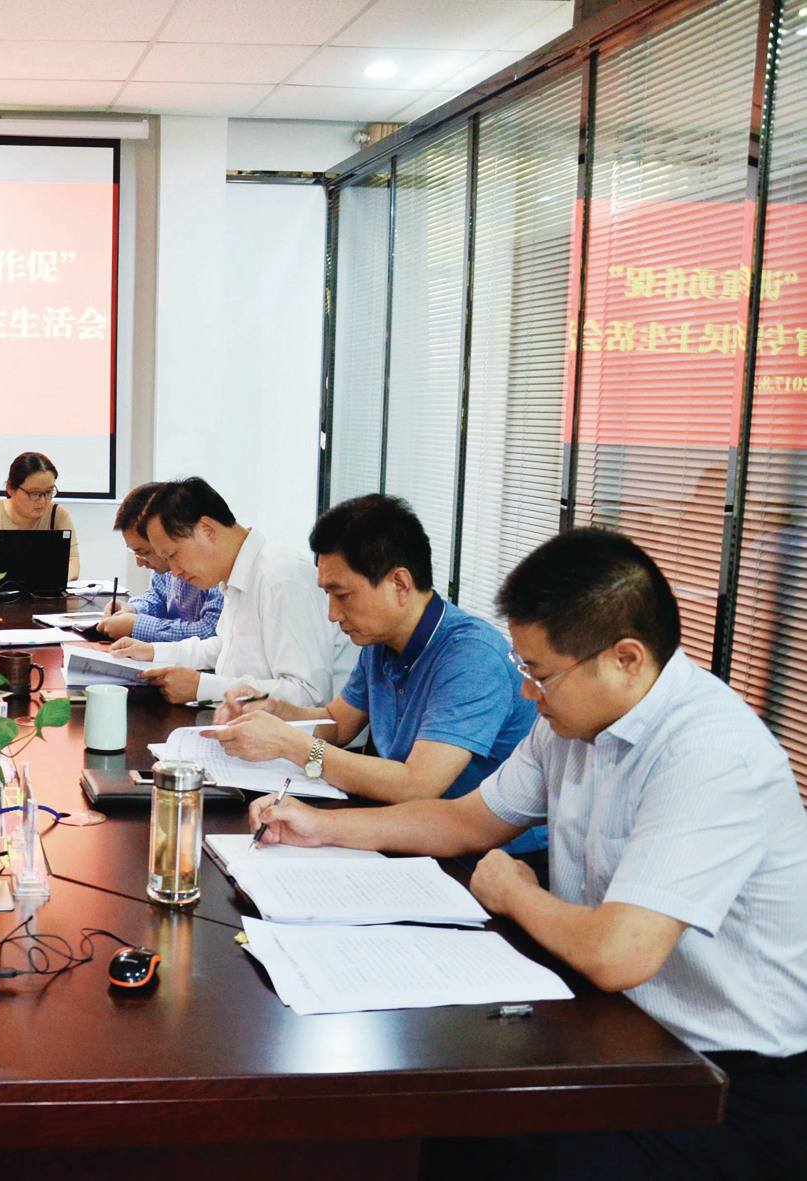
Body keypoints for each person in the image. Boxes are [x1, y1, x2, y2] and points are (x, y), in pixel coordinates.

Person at [251, 529, 807, 1179]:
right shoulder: (569, 723)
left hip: (728, 1079)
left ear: (626, 659)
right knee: (447, 1113)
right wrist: (320, 827)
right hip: (620, 1030)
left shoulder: (706, 754)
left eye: (539, 674)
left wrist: (515, 893)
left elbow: (618, 953)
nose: (527, 693)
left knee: (500, 1144)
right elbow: (464, 820)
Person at [216, 495, 543, 852]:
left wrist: (291, 744)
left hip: (491, 855)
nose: (332, 614)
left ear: (400, 584)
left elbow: (418, 784)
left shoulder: (471, 656)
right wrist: (276, 710)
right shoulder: (381, 641)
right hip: (407, 830)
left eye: (342, 595)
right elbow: (337, 724)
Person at [109, 477, 354, 707]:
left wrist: (202, 687)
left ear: (206, 529)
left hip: (300, 737)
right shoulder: (237, 573)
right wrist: (154, 652)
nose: (173, 571)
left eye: (173, 555)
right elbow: (226, 647)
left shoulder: (281, 578)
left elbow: (309, 694)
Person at [96, 481, 223, 642]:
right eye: (134, 551)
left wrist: (136, 625)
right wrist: (133, 610)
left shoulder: (216, 567)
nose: (139, 563)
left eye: (144, 552)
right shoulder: (167, 568)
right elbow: (159, 596)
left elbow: (212, 632)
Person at [0, 451, 82, 580]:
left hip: (44, 591)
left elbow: (73, 564)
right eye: (34, 493)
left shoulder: (58, 515)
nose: (43, 500)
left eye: (49, 492)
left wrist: (49, 578)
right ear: (10, 488)